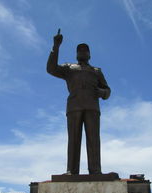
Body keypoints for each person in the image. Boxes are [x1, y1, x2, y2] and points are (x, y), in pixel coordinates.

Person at [47, 29, 111, 175]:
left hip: (92, 107)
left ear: (89, 54)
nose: (82, 52)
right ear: (76, 54)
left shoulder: (96, 71)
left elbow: (107, 90)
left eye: (85, 50)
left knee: (93, 139)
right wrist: (55, 46)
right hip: (74, 107)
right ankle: (71, 170)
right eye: (80, 50)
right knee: (74, 140)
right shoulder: (69, 68)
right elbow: (51, 69)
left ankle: (95, 170)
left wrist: (101, 92)